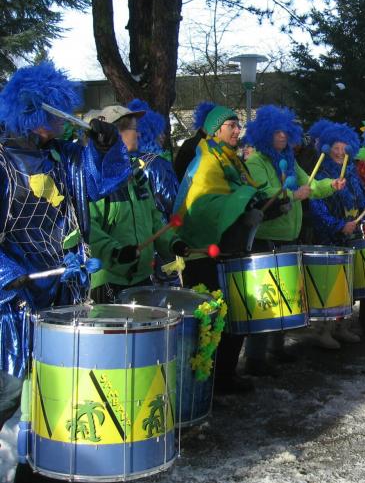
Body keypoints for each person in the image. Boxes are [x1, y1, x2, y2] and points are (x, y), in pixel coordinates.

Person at [0, 62, 129, 483]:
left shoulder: (62, 157)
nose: (62, 122)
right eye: (54, 114)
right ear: (32, 113)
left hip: (62, 292)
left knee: (53, 386)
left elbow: (102, 181)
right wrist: (10, 277)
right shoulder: (2, 162)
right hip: (14, 301)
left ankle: (37, 470)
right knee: (8, 389)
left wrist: (105, 147)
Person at [174, 102, 284, 395]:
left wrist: (272, 205)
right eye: (231, 126)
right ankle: (206, 384)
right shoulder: (207, 162)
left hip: (230, 250)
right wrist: (242, 212)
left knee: (234, 315)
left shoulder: (231, 159)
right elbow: (204, 205)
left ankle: (225, 375)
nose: (237, 130)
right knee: (211, 320)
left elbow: (245, 194)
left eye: (238, 125)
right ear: (215, 130)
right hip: (204, 252)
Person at [243, 105, 342, 371]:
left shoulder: (289, 159)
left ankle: (277, 348)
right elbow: (264, 193)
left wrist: (330, 185)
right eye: (277, 132)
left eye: (285, 131)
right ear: (264, 133)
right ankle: (255, 358)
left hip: (288, 237)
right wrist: (292, 194)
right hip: (265, 238)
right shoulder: (255, 162)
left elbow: (310, 185)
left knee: (284, 296)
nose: (282, 136)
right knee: (264, 300)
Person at [87, 105, 186, 303]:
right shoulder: (94, 177)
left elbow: (153, 219)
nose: (139, 134)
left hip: (141, 278)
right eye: (134, 129)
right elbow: (89, 228)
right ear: (116, 133)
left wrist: (172, 243)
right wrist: (115, 253)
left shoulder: (136, 174)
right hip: (109, 281)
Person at [309, 122, 365, 340]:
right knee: (330, 284)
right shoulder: (320, 173)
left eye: (344, 148)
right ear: (327, 148)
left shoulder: (351, 174)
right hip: (328, 236)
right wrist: (339, 225)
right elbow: (316, 208)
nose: (340, 152)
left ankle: (342, 327)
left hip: (350, 236)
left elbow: (362, 201)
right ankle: (324, 330)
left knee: (348, 282)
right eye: (336, 148)